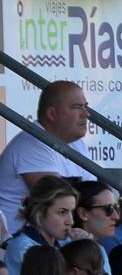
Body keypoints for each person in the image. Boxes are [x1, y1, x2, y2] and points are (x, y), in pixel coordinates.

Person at [0, 81, 96, 233]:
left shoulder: (77, 144)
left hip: (52, 241)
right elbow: (57, 202)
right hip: (17, 246)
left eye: (85, 106)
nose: (86, 114)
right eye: (77, 107)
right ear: (52, 114)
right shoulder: (31, 144)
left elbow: (93, 197)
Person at [5, 176, 79, 275]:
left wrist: (84, 248)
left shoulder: (66, 242)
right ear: (39, 211)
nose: (71, 221)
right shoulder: (22, 247)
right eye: (62, 212)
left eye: (71, 212)